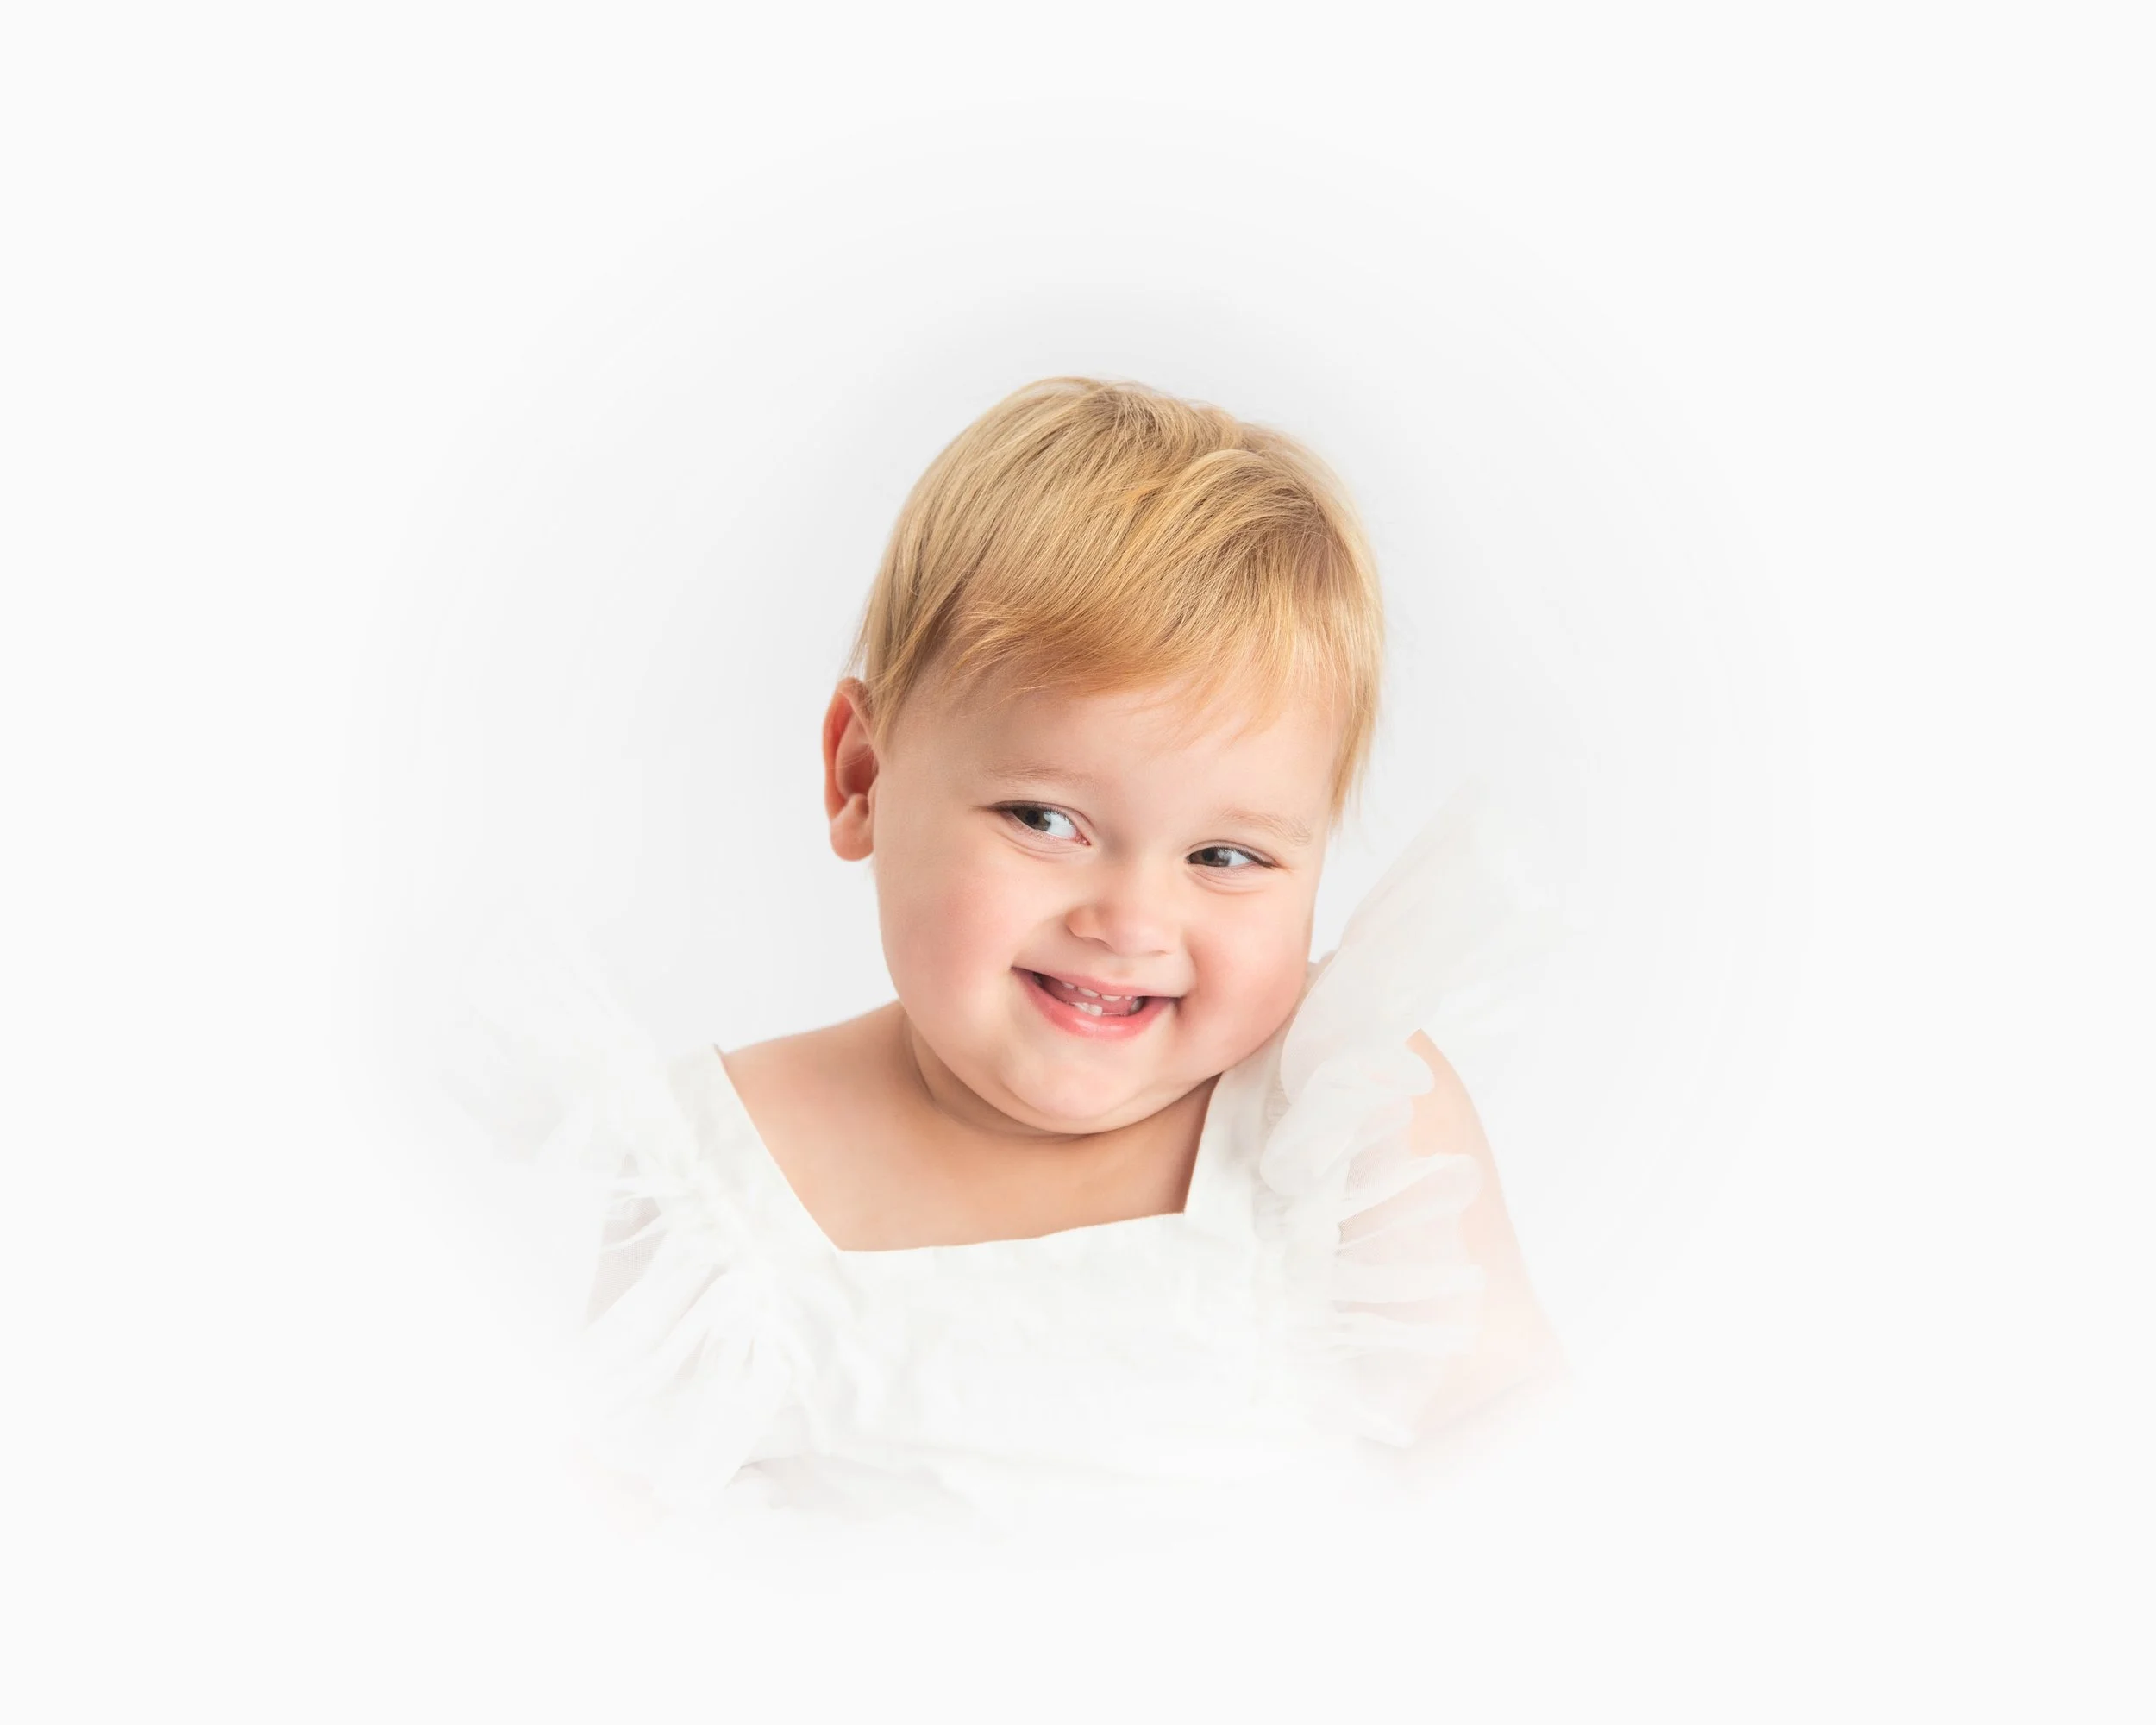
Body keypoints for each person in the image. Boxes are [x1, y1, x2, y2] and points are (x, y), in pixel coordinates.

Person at [466, 376, 1563, 1534]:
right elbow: (603, 1548)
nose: (1133, 921)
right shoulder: (720, 1179)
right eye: (1046, 820)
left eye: (1226, 856)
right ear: (863, 779)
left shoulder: (1344, 1132)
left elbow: (1517, 1474)